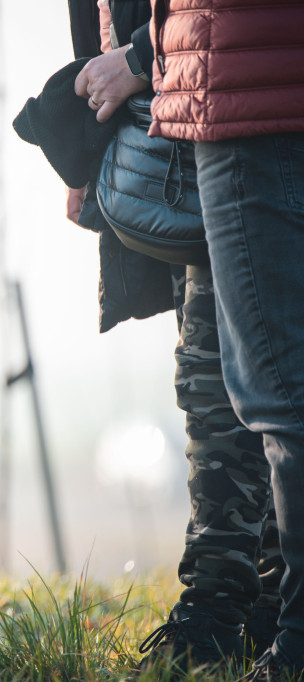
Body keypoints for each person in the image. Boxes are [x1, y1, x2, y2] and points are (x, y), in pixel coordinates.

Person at [18, 0, 284, 674]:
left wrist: (139, 60)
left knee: (233, 382)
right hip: (170, 129)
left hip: (235, 115)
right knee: (223, 378)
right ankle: (249, 603)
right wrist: (92, 137)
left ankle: (224, 610)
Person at [150, 2, 304, 678]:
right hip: (244, 77)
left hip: (250, 85)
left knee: (281, 395)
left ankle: (294, 647)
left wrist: (136, 60)